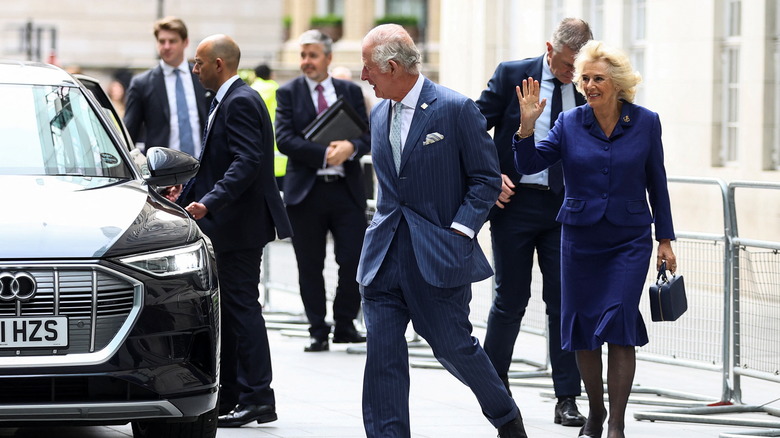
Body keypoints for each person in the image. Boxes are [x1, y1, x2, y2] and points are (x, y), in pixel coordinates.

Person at [357, 24, 527, 438]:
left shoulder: (455, 108)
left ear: (392, 67)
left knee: (454, 349)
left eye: (368, 69)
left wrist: (461, 231)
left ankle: (506, 417)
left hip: (437, 255)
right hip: (382, 258)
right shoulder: (379, 114)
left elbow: (486, 179)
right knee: (382, 356)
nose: (363, 77)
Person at [512, 40, 677, 438]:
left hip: (629, 238)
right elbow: (530, 164)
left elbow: (658, 181)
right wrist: (526, 126)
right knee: (584, 327)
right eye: (585, 78)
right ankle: (597, 413)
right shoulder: (569, 122)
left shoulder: (646, 121)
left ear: (617, 83)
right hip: (580, 240)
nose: (589, 85)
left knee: (619, 320)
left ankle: (617, 424)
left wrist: (665, 240)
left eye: (598, 78)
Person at [475, 17, 592, 428]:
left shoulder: (588, 83)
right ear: (549, 48)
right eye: (564, 66)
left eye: (575, 68)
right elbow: (472, 127)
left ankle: (567, 398)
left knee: (564, 303)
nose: (569, 75)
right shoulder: (512, 75)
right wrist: (491, 177)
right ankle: (493, 388)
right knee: (510, 299)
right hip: (515, 204)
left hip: (566, 209)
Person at [173, 33, 293, 428]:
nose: (195, 70)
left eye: (199, 63)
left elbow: (245, 162)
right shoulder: (224, 100)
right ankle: (233, 396)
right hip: (231, 225)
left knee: (242, 310)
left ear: (219, 65)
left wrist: (208, 202)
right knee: (231, 310)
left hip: (239, 227)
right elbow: (214, 163)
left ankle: (258, 396)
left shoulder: (240, 101)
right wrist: (184, 192)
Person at [275, 29, 370, 352]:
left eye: (312, 55)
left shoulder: (349, 91)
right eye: (303, 55)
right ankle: (318, 329)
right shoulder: (288, 93)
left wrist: (351, 147)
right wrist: (324, 155)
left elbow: (368, 134)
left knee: (354, 260)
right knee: (309, 264)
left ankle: (345, 323)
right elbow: (284, 139)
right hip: (306, 192)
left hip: (346, 190)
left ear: (329, 58)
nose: (306, 62)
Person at [124, 16, 210, 154]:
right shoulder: (142, 84)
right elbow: (129, 133)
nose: (167, 46)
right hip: (162, 170)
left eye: (172, 41)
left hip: (203, 168)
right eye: (162, 41)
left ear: (185, 42)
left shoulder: (203, 78)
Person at [251, 63, 287, 190]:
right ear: (270, 74)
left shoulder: (250, 90)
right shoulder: (276, 89)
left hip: (257, 147)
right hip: (278, 143)